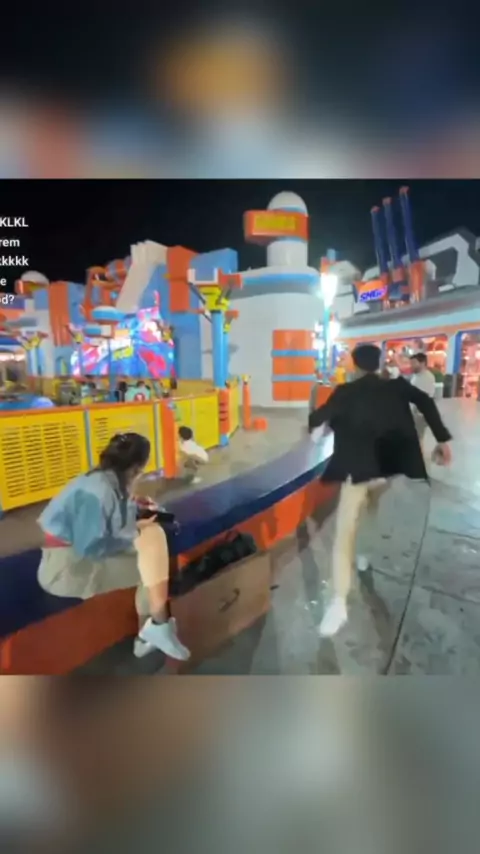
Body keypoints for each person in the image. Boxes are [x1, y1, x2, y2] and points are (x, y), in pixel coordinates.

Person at [308, 343, 452, 638]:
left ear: (355, 365)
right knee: (372, 508)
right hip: (386, 471)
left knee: (344, 532)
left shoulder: (346, 391)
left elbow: (319, 419)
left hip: (359, 471)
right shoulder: (397, 386)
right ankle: (365, 555)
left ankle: (339, 602)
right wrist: (442, 440)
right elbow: (426, 403)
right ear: (378, 363)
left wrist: (317, 426)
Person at [37, 432, 190, 661]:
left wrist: (135, 508)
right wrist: (135, 529)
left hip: (71, 557)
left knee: (152, 553)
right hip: (66, 570)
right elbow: (91, 546)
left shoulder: (102, 478)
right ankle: (154, 630)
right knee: (151, 568)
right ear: (137, 467)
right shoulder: (101, 489)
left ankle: (154, 631)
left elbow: (108, 520)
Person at [409, 352, 436, 446]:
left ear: (422, 363)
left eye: (414, 363)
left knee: (418, 438)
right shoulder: (416, 376)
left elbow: (424, 397)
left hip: (420, 413)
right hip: (414, 411)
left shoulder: (427, 377)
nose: (411, 366)